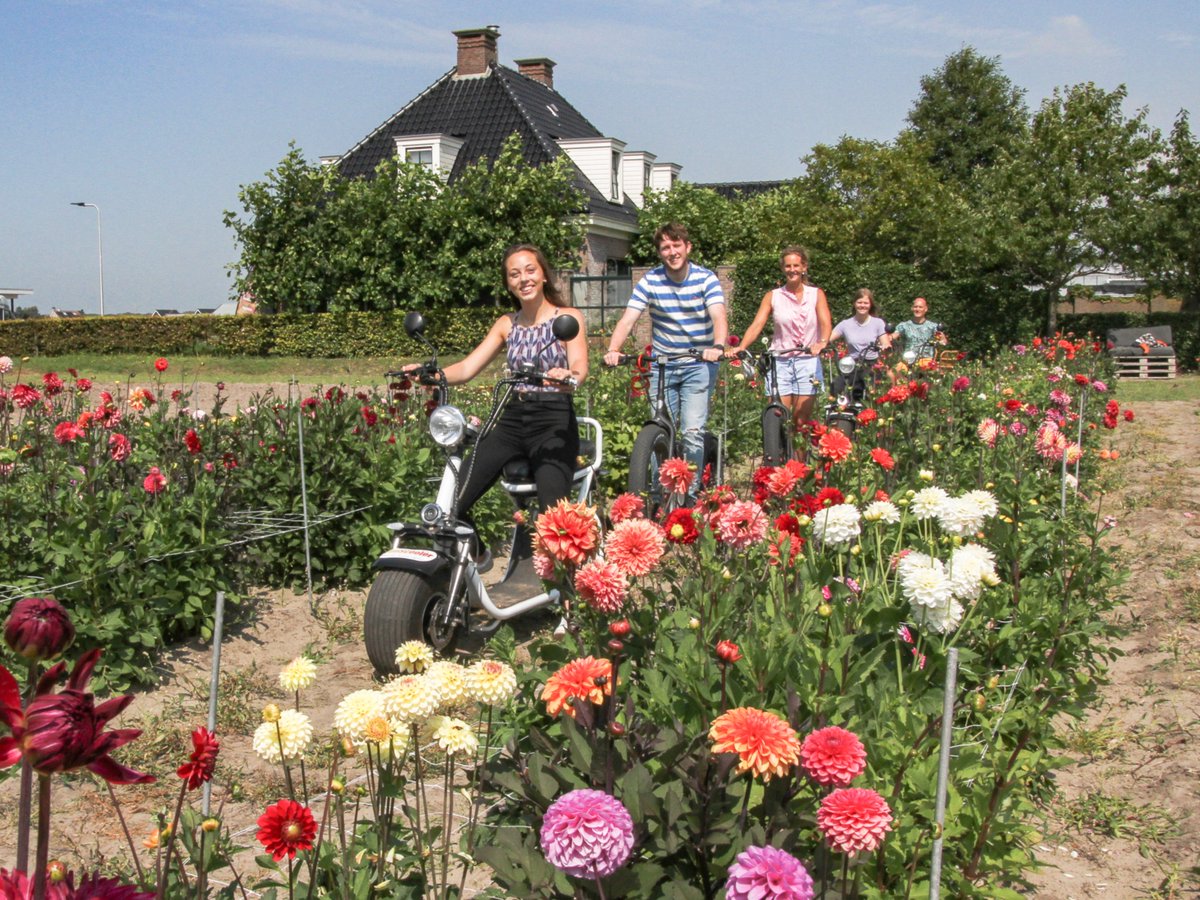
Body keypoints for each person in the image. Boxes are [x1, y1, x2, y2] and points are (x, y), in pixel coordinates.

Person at [407, 244, 588, 565]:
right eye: (514, 274)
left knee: (553, 519)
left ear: (544, 275)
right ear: (508, 284)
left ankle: (564, 586)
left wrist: (567, 376)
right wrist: (430, 374)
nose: (524, 279)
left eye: (530, 270)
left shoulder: (567, 318)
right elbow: (467, 367)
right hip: (512, 418)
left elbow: (579, 366)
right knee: (452, 501)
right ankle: (478, 556)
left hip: (554, 420)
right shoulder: (507, 323)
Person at [603, 223, 727, 494]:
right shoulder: (651, 280)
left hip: (698, 364)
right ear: (660, 252)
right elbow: (628, 319)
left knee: (692, 433)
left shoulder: (706, 279)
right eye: (665, 247)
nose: (672, 252)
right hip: (663, 365)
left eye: (676, 245)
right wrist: (614, 349)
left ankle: (689, 498)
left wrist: (717, 346)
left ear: (687, 247)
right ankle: (659, 496)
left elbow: (718, 316)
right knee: (660, 430)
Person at [728, 246, 831, 449]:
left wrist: (822, 342)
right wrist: (741, 346)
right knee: (778, 417)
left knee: (801, 422)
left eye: (796, 265)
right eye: (788, 266)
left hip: (807, 362)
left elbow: (825, 322)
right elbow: (758, 324)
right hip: (780, 363)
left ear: (804, 267)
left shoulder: (816, 294)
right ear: (783, 268)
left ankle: (799, 465)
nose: (792, 270)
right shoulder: (773, 296)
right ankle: (777, 460)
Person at [829, 288, 891, 401]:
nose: (862, 305)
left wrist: (885, 347)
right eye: (859, 302)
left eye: (866, 303)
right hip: (852, 365)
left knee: (871, 390)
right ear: (854, 304)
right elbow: (828, 339)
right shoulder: (845, 324)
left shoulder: (878, 323)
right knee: (837, 386)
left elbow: (885, 342)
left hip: (871, 365)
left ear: (870, 305)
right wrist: (821, 345)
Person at [893, 296, 945, 362]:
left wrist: (941, 339)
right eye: (915, 307)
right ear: (912, 308)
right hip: (907, 361)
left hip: (926, 362)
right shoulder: (904, 326)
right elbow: (892, 337)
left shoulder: (933, 327)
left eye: (920, 307)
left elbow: (943, 342)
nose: (917, 309)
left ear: (925, 309)